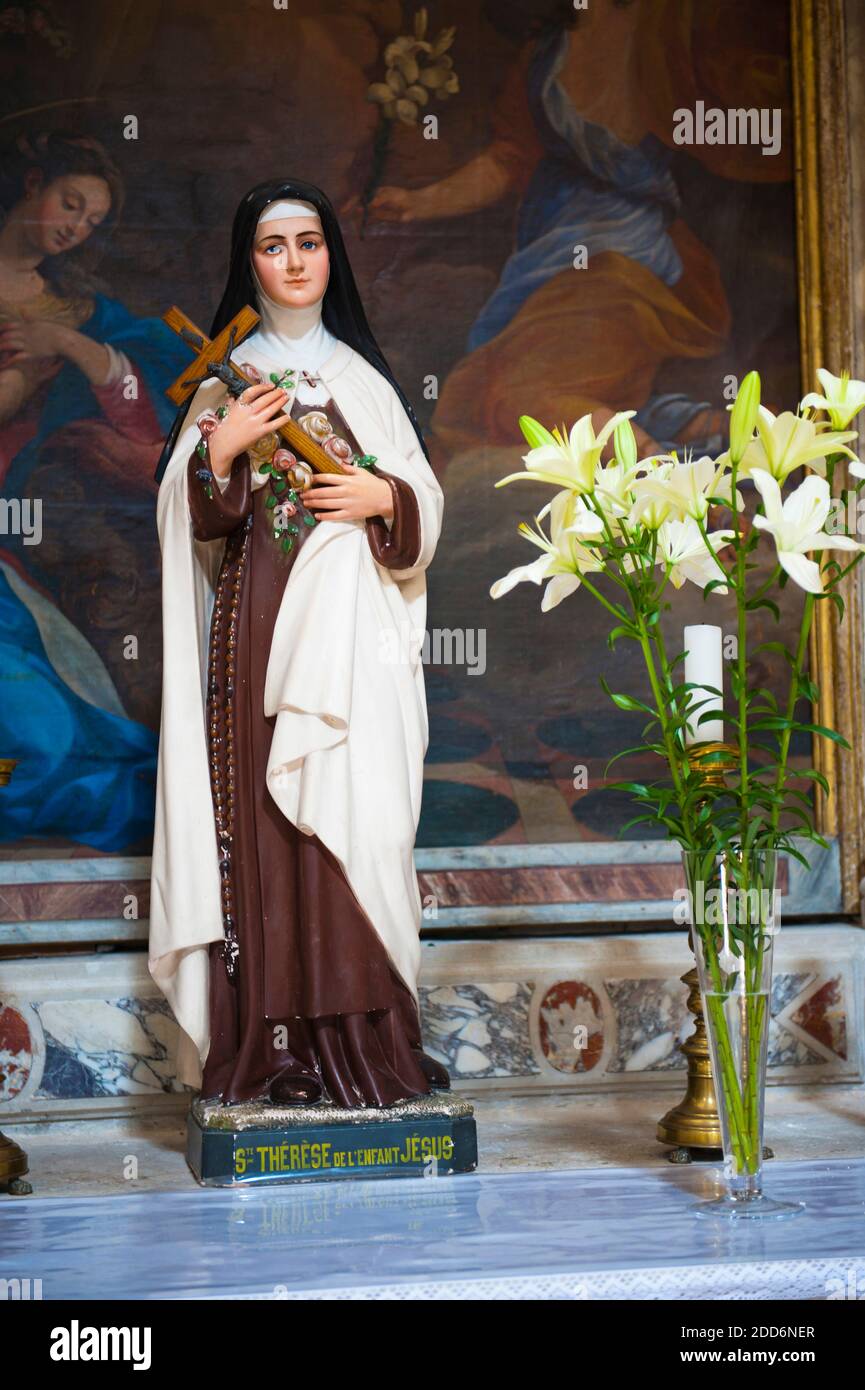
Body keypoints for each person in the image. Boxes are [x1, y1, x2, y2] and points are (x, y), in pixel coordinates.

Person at [149, 178, 450, 1108]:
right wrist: (222, 446)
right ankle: (273, 1053)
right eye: (274, 246)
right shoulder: (221, 378)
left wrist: (382, 500)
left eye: (309, 243)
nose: (293, 261)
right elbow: (188, 517)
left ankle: (369, 1047)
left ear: (331, 256)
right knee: (271, 832)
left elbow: (422, 504)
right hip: (257, 643)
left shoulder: (364, 381)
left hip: (353, 651)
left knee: (354, 824)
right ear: (249, 263)